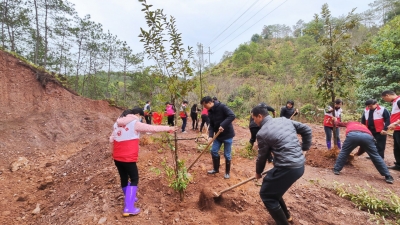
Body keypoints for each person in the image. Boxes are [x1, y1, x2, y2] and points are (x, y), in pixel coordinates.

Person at [109, 107, 176, 216]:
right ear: (137, 115)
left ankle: (129, 199)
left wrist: (113, 153)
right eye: (141, 117)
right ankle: (129, 208)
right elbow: (152, 128)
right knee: (134, 179)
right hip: (128, 157)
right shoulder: (134, 122)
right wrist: (168, 128)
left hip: (117, 157)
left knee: (124, 178)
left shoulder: (116, 124)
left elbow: (111, 139)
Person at [252, 104, 312, 225]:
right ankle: (287, 217)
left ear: (259, 116)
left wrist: (258, 172)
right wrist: (304, 149)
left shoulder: (262, 133)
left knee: (266, 195)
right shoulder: (284, 120)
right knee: (272, 189)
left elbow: (262, 156)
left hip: (287, 168)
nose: (254, 121)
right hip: (299, 166)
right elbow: (307, 130)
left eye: (254, 118)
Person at [331, 117, 394, 184]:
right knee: (376, 156)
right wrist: (357, 154)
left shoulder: (350, 123)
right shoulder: (364, 126)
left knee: (344, 152)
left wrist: (335, 120)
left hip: (353, 135)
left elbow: (338, 123)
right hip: (368, 137)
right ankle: (388, 176)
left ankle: (336, 170)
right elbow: (363, 147)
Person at [201, 96, 235, 179]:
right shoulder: (210, 112)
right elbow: (212, 125)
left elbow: (232, 116)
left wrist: (222, 125)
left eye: (205, 105)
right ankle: (216, 169)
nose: (204, 107)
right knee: (213, 151)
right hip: (218, 136)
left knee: (227, 155)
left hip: (227, 135)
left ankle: (227, 173)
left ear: (210, 102)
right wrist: (210, 136)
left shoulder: (222, 107)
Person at [381, 90, 400, 170]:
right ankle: (398, 165)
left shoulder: (399, 101)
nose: (385, 100)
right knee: (397, 148)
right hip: (397, 129)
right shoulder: (395, 102)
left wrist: (395, 123)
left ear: (387, 95)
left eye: (384, 98)